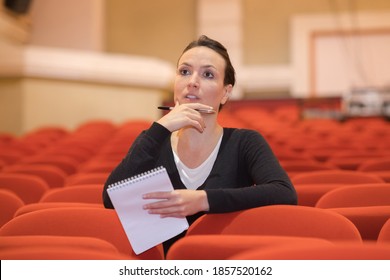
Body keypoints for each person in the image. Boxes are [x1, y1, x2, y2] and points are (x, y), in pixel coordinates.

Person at [103, 35, 297, 254]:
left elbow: (284, 193)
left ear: (225, 93)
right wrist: (160, 128)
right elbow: (111, 198)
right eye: (184, 72)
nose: (192, 81)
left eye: (208, 74)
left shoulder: (245, 142)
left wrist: (203, 200)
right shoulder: (154, 141)